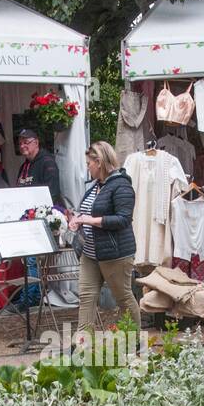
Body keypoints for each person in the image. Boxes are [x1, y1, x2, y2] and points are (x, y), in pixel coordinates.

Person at [68, 141, 139, 334]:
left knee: (123, 297)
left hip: (115, 254)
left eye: (89, 163)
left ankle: (134, 343)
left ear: (99, 162)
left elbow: (123, 219)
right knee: (86, 297)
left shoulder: (121, 185)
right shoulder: (95, 186)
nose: (87, 167)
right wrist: (77, 219)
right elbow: (87, 212)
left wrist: (90, 220)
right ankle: (84, 345)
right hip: (90, 254)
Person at [16, 129, 63, 205]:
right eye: (20, 143)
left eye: (26, 142)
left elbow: (52, 192)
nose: (22, 146)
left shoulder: (47, 163)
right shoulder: (24, 166)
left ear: (36, 143)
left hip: (44, 212)